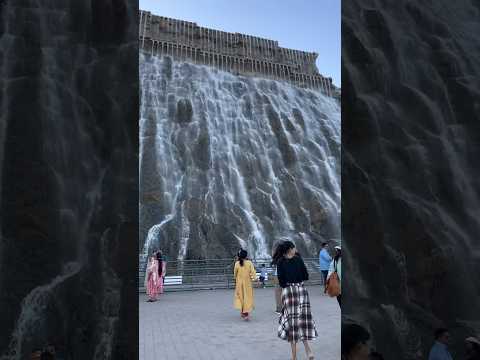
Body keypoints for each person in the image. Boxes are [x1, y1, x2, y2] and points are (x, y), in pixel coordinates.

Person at [274, 241, 317, 360]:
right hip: (301, 290)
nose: (295, 249)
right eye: (294, 247)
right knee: (303, 320)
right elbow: (306, 276)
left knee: (292, 323)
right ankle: (309, 351)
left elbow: (281, 281)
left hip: (288, 291)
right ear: (290, 249)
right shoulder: (298, 259)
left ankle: (294, 357)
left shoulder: (280, 262)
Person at [233, 249, 256, 320]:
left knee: (241, 297)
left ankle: (243, 312)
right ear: (246, 256)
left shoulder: (237, 263)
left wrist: (235, 279)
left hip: (239, 283)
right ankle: (246, 314)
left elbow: (235, 273)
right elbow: (253, 273)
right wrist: (254, 279)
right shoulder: (249, 263)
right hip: (247, 283)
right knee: (247, 297)